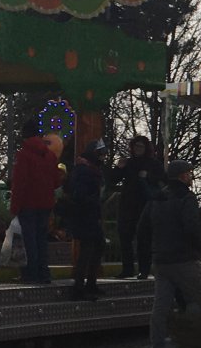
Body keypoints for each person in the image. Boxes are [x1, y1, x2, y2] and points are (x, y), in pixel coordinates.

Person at [145, 159, 201, 348]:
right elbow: (191, 227)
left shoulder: (157, 197)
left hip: (161, 259)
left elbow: (144, 227)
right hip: (185, 258)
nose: (191, 176)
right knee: (195, 302)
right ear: (183, 175)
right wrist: (198, 247)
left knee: (160, 308)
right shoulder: (187, 197)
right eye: (189, 173)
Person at [9, 120, 65, 284]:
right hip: (45, 204)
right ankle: (43, 273)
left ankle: (30, 274)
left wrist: (14, 206)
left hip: (27, 204)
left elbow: (19, 183)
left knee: (28, 240)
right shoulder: (50, 156)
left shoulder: (23, 155)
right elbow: (56, 182)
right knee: (41, 239)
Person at [107, 134, 163, 278]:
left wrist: (148, 177)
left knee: (144, 239)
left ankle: (144, 270)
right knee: (125, 237)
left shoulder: (153, 164)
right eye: (136, 146)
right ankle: (127, 269)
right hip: (127, 204)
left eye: (141, 146)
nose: (138, 149)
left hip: (145, 204)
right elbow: (112, 179)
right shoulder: (128, 163)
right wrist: (118, 168)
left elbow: (162, 179)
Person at [65, 139, 108, 301]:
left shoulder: (90, 169)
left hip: (89, 215)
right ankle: (80, 286)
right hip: (85, 215)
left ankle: (89, 283)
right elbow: (80, 195)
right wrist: (93, 201)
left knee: (95, 247)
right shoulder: (85, 170)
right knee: (88, 249)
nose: (103, 157)